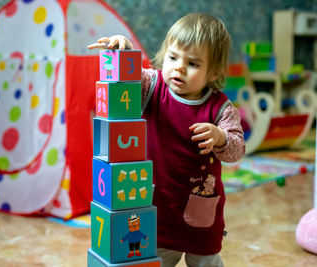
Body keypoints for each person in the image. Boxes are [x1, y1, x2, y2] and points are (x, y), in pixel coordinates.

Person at [88, 13, 245, 267]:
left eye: (193, 63)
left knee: (205, 260)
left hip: (200, 208)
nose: (179, 67)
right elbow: (125, 81)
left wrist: (220, 137)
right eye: (173, 57)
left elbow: (236, 150)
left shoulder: (220, 108)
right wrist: (121, 51)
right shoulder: (151, 84)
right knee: (156, 259)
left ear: (214, 72)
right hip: (157, 207)